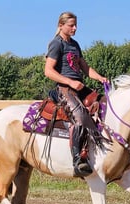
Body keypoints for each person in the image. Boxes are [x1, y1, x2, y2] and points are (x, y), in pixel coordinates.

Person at [44, 11, 109, 177]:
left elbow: (85, 68)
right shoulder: (56, 44)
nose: (75, 28)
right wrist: (70, 82)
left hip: (79, 87)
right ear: (61, 25)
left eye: (75, 25)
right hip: (64, 89)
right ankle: (77, 160)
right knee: (80, 118)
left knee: (105, 103)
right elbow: (48, 71)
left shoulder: (74, 44)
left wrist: (100, 78)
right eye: (71, 25)